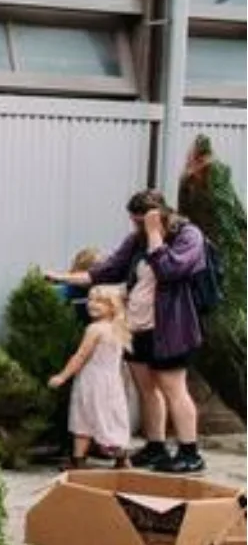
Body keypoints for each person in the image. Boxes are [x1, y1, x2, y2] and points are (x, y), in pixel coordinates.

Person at [48, 189, 211, 474]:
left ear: (157, 214)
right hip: (138, 327)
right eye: (134, 221)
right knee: (146, 389)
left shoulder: (188, 236)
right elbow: (107, 270)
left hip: (171, 328)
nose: (135, 226)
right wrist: (61, 277)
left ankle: (189, 452)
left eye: (140, 220)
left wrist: (154, 234)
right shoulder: (136, 239)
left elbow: (170, 270)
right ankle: (155, 447)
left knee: (174, 389)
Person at [48, 285, 134, 470]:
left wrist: (62, 376)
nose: (92, 304)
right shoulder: (118, 329)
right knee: (112, 417)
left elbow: (80, 356)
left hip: (92, 381)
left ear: (112, 306)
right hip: (112, 382)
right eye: (91, 300)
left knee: (84, 417)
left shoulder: (95, 329)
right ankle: (121, 456)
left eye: (100, 302)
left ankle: (78, 460)